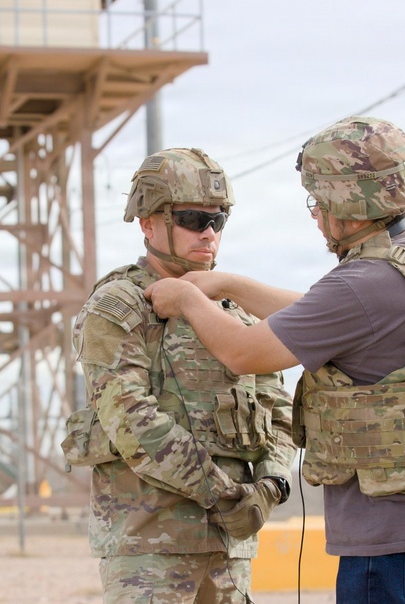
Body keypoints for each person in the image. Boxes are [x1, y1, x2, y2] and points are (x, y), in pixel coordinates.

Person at [145, 117, 405, 604]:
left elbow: (245, 352)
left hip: (403, 546)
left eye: (320, 203)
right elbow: (328, 315)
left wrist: (189, 301)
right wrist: (230, 285)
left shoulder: (365, 282)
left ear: (349, 203)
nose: (317, 216)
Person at [62, 147, 296, 603]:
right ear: (149, 223)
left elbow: (277, 408)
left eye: (218, 221)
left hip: (229, 548)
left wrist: (271, 484)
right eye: (192, 218)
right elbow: (131, 419)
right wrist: (225, 493)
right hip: (149, 546)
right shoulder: (121, 306)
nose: (208, 233)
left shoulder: (236, 312)